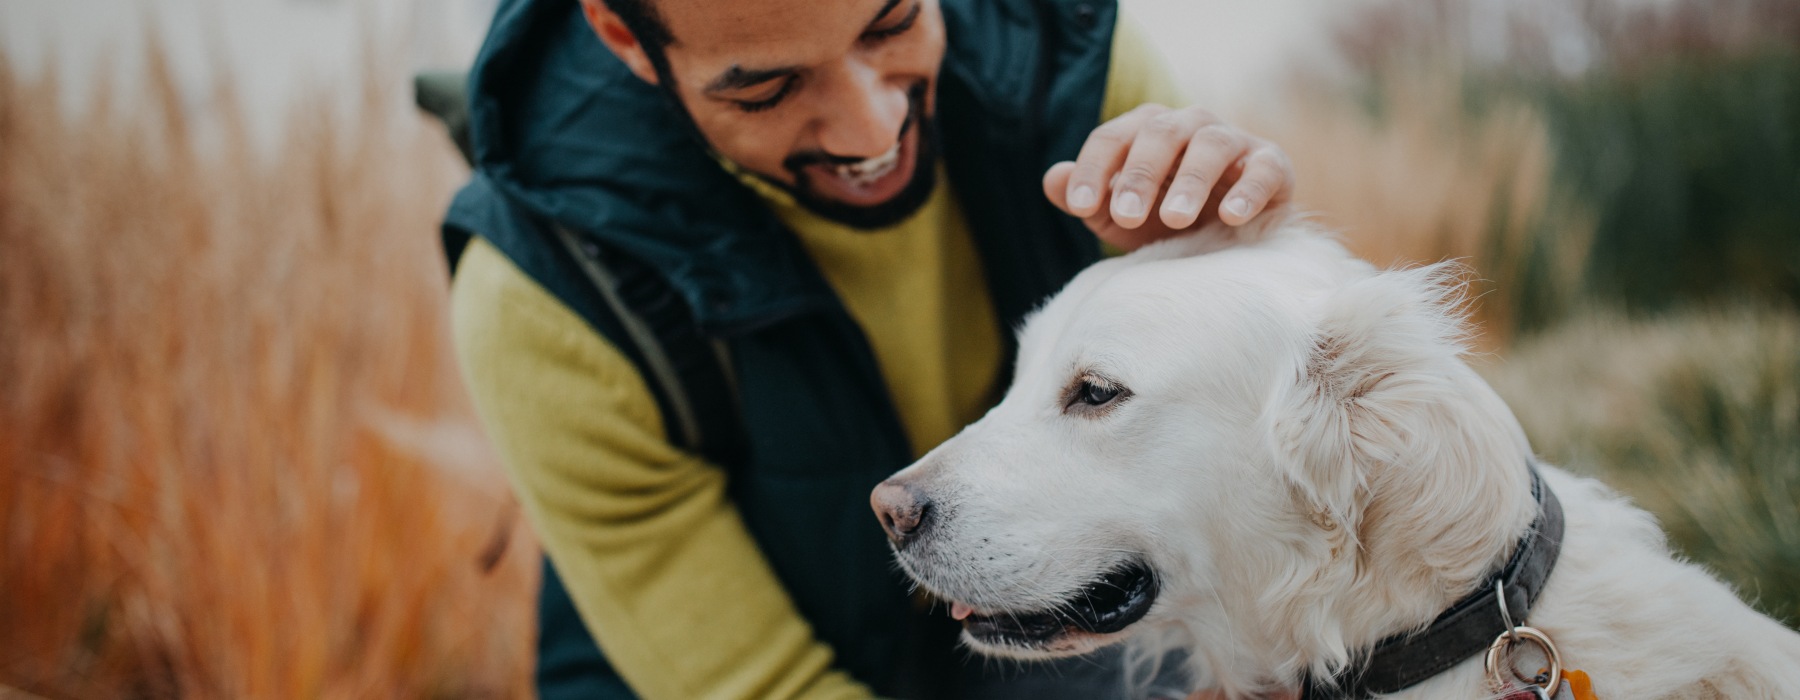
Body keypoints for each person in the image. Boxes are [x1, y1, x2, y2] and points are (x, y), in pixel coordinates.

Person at [440, 0, 1295, 697]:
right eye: (766, 89)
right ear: (625, 35)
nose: (868, 130)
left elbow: (1269, 447)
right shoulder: (540, 290)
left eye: (891, 25)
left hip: (1019, 603)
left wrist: (1238, 257)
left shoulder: (1074, 68)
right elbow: (756, 684)